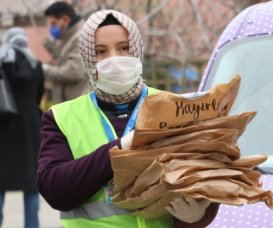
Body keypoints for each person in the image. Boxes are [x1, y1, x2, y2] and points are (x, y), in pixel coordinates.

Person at [37, 10, 219, 228]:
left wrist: (198, 216)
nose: (114, 58)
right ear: (87, 58)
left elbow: (202, 176)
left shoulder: (176, 107)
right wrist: (122, 148)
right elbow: (56, 191)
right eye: (100, 51)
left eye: (124, 48)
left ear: (137, 50)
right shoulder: (61, 117)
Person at [0, 27, 44, 228]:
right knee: (31, 182)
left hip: (4, 125)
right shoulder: (36, 65)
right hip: (30, 125)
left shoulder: (1, 62)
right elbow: (38, 95)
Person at [42, 1, 88, 104]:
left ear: (65, 20)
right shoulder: (68, 37)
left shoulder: (80, 36)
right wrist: (51, 46)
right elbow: (63, 59)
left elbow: (74, 72)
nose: (52, 28)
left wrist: (45, 70)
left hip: (76, 106)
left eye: (54, 24)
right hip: (69, 105)